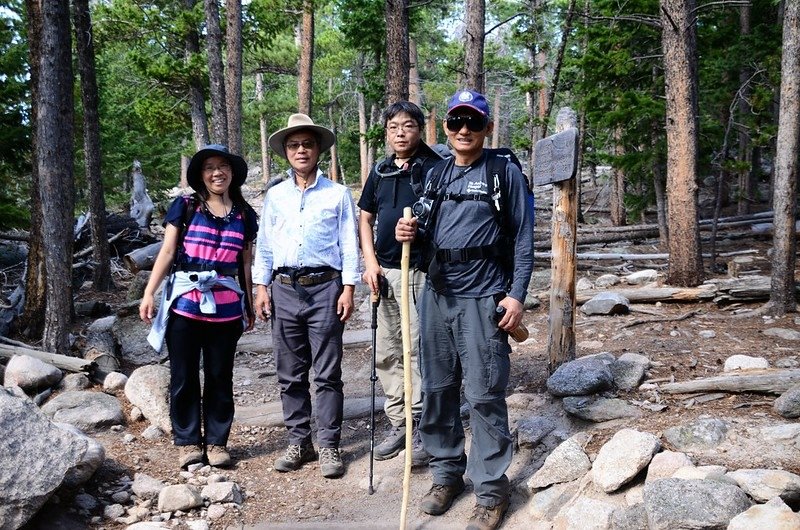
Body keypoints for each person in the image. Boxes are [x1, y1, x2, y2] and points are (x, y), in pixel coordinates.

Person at [395, 89, 534, 530]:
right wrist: (407, 230)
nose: (463, 130)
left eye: (473, 122)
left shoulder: (503, 173)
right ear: (447, 128)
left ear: (487, 127)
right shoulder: (435, 174)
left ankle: (491, 490)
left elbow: (525, 239)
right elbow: (422, 228)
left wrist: (516, 295)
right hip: (437, 294)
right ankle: (445, 474)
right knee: (436, 388)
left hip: (483, 297)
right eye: (456, 121)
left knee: (483, 393)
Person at [253, 113, 360, 479]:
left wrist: (348, 287)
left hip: (325, 289)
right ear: (286, 152)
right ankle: (299, 441)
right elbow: (265, 245)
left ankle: (329, 444)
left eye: (307, 144)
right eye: (294, 145)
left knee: (328, 373)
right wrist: (260, 285)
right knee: (290, 373)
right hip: (283, 289)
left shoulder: (338, 194)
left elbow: (349, 243)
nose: (301, 150)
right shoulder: (276, 196)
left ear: (319, 150)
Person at [140, 144, 257, 469]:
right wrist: (150, 292)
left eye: (223, 166)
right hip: (185, 304)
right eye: (209, 168)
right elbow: (166, 252)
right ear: (200, 175)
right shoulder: (186, 206)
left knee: (221, 375)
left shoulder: (244, 214)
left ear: (232, 173)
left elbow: (245, 263)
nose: (217, 173)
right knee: (183, 375)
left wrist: (248, 303)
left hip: (227, 305)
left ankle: (218, 442)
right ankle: (188, 442)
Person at [358, 101, 440, 466]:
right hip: (385, 271)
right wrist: (370, 262)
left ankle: (421, 422)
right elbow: (365, 218)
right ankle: (399, 422)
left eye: (407, 126)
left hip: (421, 270)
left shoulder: (437, 168)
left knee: (417, 347)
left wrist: (421, 230)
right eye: (393, 128)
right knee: (388, 348)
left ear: (420, 129)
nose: (400, 133)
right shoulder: (381, 170)